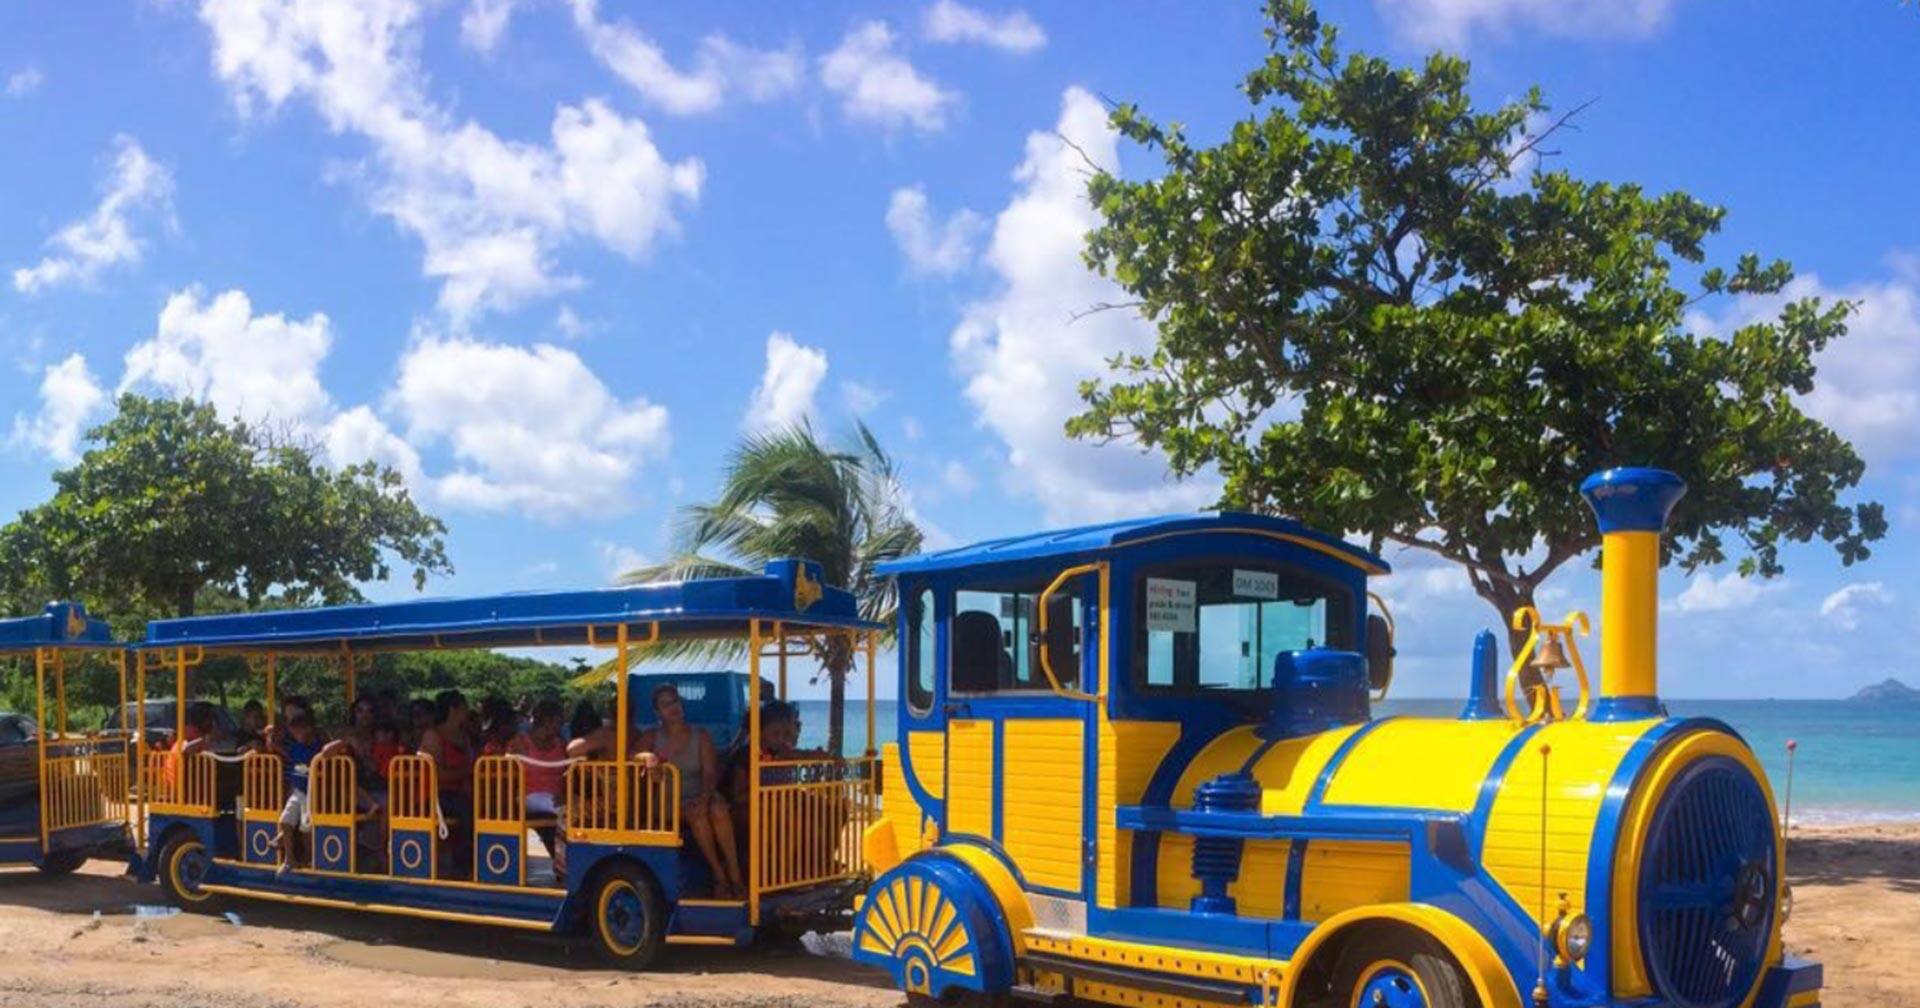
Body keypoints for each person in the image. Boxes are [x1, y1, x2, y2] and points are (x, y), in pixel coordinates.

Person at [638, 683, 744, 899]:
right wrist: (647, 756)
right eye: (666, 704)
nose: (673, 707)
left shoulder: (700, 735)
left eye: (675, 701)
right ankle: (719, 875)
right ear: (658, 712)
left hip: (700, 794)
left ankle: (735, 874)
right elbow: (629, 754)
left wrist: (704, 797)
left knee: (718, 809)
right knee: (697, 815)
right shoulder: (652, 736)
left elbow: (710, 773)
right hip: (669, 802)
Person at [266, 710, 351, 877]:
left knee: (306, 827)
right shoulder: (295, 747)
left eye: (298, 731)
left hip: (312, 793)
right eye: (293, 732)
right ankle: (289, 859)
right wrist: (270, 735)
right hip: (298, 791)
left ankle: (310, 859)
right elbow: (278, 749)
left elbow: (329, 756)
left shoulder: (316, 747)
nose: (296, 735)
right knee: (284, 821)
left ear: (308, 729)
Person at [509, 698, 570, 879]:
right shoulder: (521, 742)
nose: (561, 726)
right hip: (529, 795)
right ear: (547, 721)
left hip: (555, 796)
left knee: (573, 810)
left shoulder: (560, 743)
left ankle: (566, 862)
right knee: (565, 812)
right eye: (558, 721)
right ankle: (563, 866)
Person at [418, 690, 474, 872]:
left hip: (458, 791)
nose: (468, 711)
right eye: (464, 707)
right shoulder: (433, 735)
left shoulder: (463, 736)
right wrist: (465, 771)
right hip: (435, 794)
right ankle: (463, 865)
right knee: (468, 809)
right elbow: (437, 774)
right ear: (453, 709)